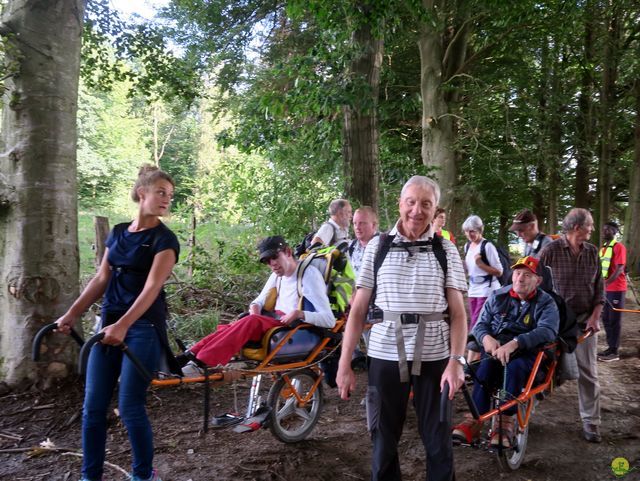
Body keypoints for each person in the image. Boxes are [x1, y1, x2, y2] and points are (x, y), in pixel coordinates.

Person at [336, 175, 468, 481]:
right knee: (382, 442)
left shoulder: (445, 250)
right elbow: (357, 311)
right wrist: (345, 363)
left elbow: (459, 315)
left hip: (436, 359)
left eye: (426, 204)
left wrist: (456, 361)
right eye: (411, 202)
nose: (417, 211)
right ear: (400, 203)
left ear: (435, 210)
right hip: (384, 357)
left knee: (438, 444)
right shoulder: (377, 248)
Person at [55, 165, 180, 481]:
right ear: (142, 193)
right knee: (93, 409)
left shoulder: (165, 240)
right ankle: (90, 476)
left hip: (143, 329)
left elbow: (152, 288)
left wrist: (124, 325)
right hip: (106, 325)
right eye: (161, 193)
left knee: (129, 407)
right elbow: (102, 278)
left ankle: (142, 476)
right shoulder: (120, 232)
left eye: (170, 195)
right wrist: (72, 314)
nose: (167, 200)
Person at [181, 236, 335, 370]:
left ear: (288, 252)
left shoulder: (309, 276)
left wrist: (298, 313)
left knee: (246, 322)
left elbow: (329, 320)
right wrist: (255, 308)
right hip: (272, 321)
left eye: (275, 257)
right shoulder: (277, 275)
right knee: (237, 324)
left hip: (290, 327)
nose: (272, 264)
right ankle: (190, 354)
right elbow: (258, 301)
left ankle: (202, 362)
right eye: (268, 261)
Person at [452, 256, 559, 447]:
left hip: (528, 355)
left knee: (515, 367)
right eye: (517, 273)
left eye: (527, 275)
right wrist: (486, 338)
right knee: (484, 366)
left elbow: (548, 330)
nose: (520, 278)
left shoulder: (546, 302)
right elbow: (479, 325)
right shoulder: (498, 296)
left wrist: (517, 342)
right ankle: (474, 420)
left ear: (538, 281)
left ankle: (505, 423)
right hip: (496, 350)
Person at [539, 208, 604, 443]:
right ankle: (521, 417)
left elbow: (600, 290)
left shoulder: (592, 252)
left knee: (588, 372)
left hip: (584, 321)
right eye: (590, 225)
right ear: (577, 228)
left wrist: (595, 317)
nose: (593, 229)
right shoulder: (550, 252)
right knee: (540, 369)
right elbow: (538, 288)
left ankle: (591, 422)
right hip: (556, 321)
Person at [462, 215, 503, 329]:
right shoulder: (467, 246)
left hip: (487, 289)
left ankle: (471, 345)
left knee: (476, 322)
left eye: (472, 231)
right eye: (466, 231)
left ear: (480, 230)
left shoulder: (487, 246)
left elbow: (499, 272)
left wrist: (481, 264)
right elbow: (470, 268)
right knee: (476, 321)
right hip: (473, 289)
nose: (469, 235)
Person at [598, 221, 627, 362]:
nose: (604, 231)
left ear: (615, 231)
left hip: (617, 289)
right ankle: (610, 348)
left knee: (615, 320)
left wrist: (607, 283)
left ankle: (614, 351)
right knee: (606, 319)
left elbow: (620, 268)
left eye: (608, 229)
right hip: (605, 289)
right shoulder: (603, 248)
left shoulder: (619, 247)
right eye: (603, 229)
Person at [348, 205, 379, 277]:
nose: (357, 227)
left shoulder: (383, 246)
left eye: (362, 223)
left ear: (373, 225)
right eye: (355, 223)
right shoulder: (351, 247)